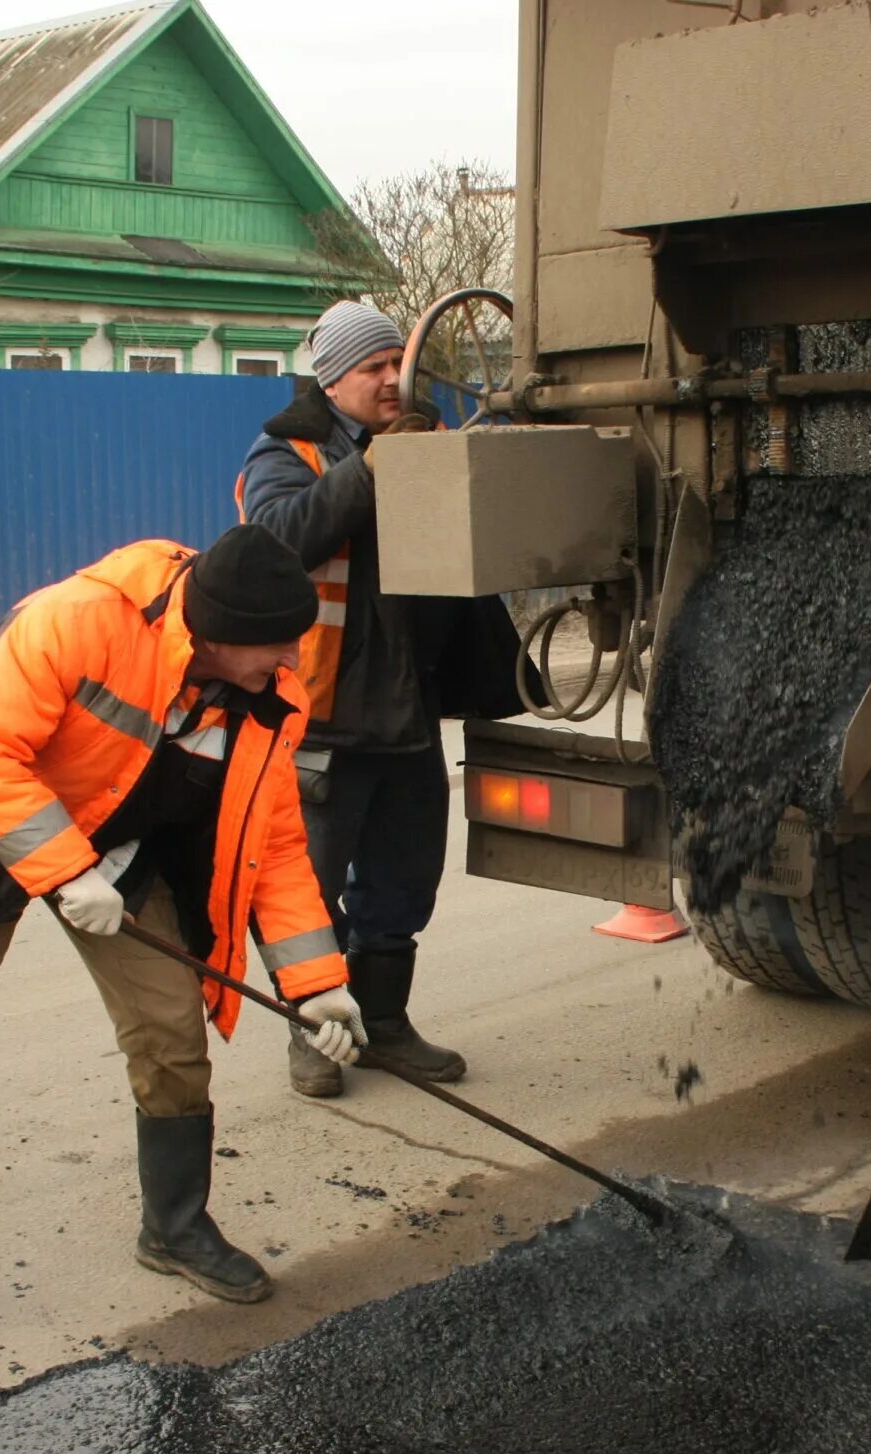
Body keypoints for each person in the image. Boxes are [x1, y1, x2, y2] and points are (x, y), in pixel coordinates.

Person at [0, 527, 368, 1361]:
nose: (290, 658)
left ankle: (174, 1227)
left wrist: (317, 982)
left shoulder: (268, 691)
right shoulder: (79, 620)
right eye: (277, 643)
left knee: (171, 1035)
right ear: (217, 631)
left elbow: (278, 844)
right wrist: (65, 873)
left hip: (117, 847)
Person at [236, 300, 528, 1100]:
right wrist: (368, 469)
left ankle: (386, 1025)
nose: (393, 379)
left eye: (399, 362)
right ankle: (315, 1036)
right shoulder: (284, 450)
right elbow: (279, 540)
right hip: (324, 716)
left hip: (408, 709)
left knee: (400, 886)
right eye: (375, 367)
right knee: (309, 893)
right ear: (334, 378)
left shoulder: (426, 437)